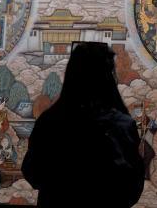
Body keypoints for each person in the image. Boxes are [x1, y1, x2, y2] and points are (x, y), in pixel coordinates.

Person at [22, 42, 144, 207]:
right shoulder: (122, 125)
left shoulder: (50, 121)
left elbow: (32, 172)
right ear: (108, 76)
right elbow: (133, 185)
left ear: (72, 73)